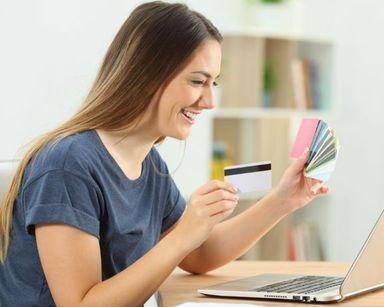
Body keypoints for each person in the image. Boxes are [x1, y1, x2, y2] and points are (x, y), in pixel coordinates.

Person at [0, 1, 328, 306]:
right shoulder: (67, 165)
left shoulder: (149, 165)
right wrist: (183, 235)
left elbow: (199, 254)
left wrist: (283, 201)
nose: (209, 102)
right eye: (198, 81)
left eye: (213, 83)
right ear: (147, 75)